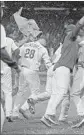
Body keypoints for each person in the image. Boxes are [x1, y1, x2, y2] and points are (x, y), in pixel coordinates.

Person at [40, 3, 84, 127]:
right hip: (62, 68)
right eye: (76, 31)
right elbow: (79, 24)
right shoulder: (70, 37)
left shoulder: (73, 44)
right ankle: (48, 115)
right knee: (62, 93)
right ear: (71, 32)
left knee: (58, 93)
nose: (78, 32)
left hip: (59, 68)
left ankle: (48, 115)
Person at [12, 37, 52, 119]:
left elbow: (17, 53)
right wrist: (53, 71)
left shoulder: (25, 45)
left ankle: (14, 113)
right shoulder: (42, 49)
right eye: (45, 43)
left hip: (22, 69)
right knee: (36, 92)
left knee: (20, 91)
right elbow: (48, 64)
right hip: (32, 71)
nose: (45, 44)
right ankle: (25, 107)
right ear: (43, 42)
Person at [1, 1, 21, 131]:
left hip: (5, 67)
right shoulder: (8, 39)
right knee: (8, 93)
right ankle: (8, 113)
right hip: (5, 68)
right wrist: (15, 63)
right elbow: (14, 50)